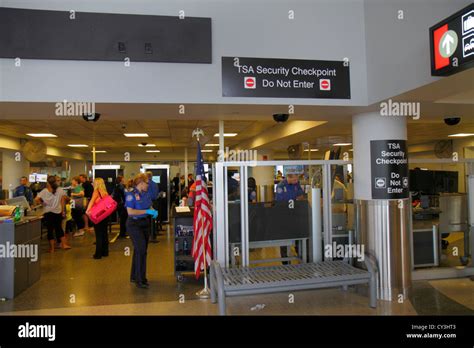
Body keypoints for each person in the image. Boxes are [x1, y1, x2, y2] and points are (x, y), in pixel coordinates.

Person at [125, 173, 158, 289]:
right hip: (134, 224)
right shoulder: (130, 195)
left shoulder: (146, 194)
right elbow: (131, 212)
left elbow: (149, 206)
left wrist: (153, 211)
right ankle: (140, 279)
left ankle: (134, 275)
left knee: (140, 250)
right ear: (141, 183)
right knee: (141, 250)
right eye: (147, 183)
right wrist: (147, 212)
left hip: (144, 224)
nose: (148, 185)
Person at [34, 175, 71, 253]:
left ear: (47, 182)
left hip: (48, 212)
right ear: (55, 182)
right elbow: (67, 199)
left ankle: (52, 249)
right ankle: (64, 245)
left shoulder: (44, 191)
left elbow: (36, 199)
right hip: (57, 212)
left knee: (50, 230)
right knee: (59, 229)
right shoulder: (60, 190)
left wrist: (43, 203)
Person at [275, 173, 305, 264]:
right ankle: (285, 260)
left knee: (297, 235)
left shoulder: (296, 184)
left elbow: (301, 195)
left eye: (297, 180)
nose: (297, 182)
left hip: (295, 214)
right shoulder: (280, 186)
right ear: (289, 178)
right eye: (295, 180)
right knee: (284, 237)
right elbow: (280, 202)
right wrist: (295, 199)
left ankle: (300, 255)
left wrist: (297, 198)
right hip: (284, 216)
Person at [86, 177, 110, 259]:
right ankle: (105, 252)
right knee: (104, 233)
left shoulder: (96, 192)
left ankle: (98, 254)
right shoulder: (105, 192)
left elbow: (92, 202)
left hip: (98, 215)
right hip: (105, 215)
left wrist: (87, 211)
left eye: (94, 182)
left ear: (96, 183)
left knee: (98, 234)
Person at [145, 172, 160, 243]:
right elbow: (156, 194)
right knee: (153, 219)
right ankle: (153, 235)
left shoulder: (145, 184)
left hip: (147, 203)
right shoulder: (154, 184)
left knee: (147, 219)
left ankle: (148, 235)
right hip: (154, 202)